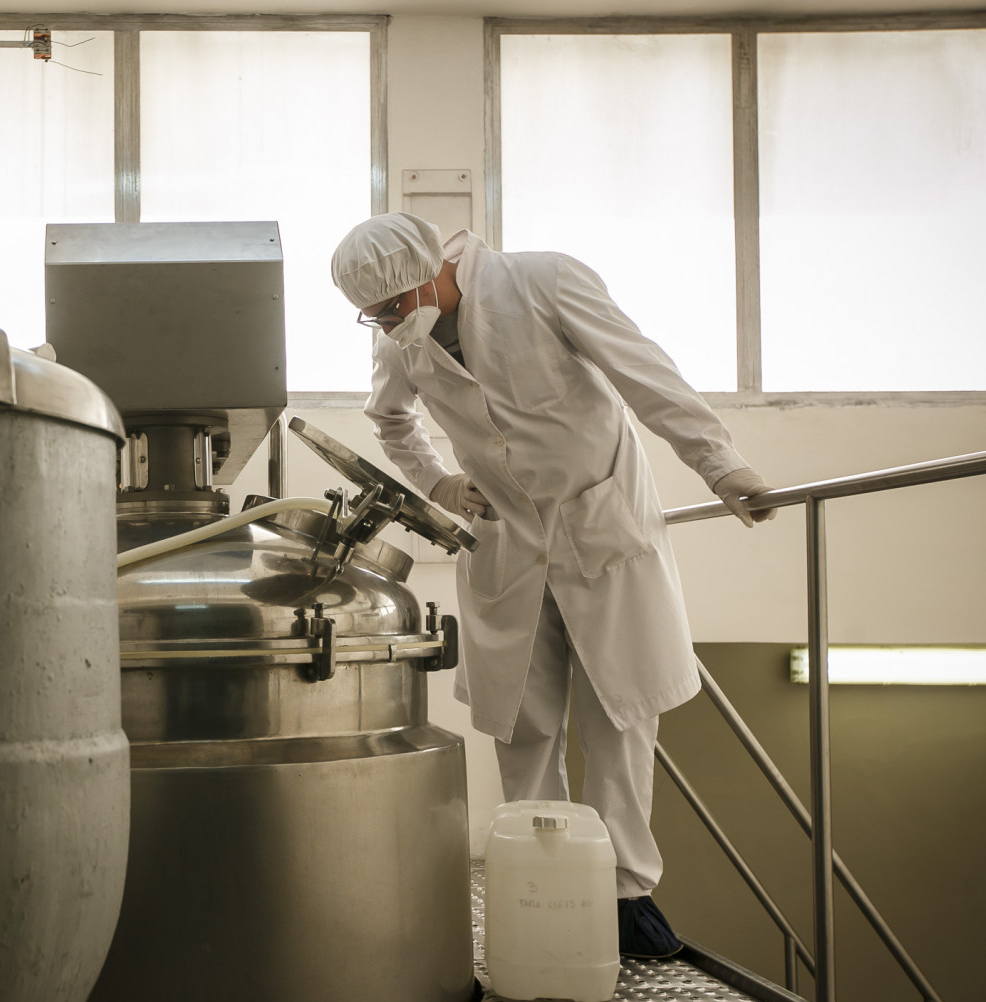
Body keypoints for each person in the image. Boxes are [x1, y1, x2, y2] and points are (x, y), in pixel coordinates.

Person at [331, 213, 775, 959]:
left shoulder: (542, 282)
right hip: (506, 543)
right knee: (524, 724)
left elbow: (646, 374)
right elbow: (389, 421)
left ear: (428, 272)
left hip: (598, 528)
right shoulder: (403, 339)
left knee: (618, 716)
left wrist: (720, 465)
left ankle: (625, 896)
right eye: (370, 314)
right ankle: (543, 891)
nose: (381, 323)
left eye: (388, 306)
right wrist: (437, 479)